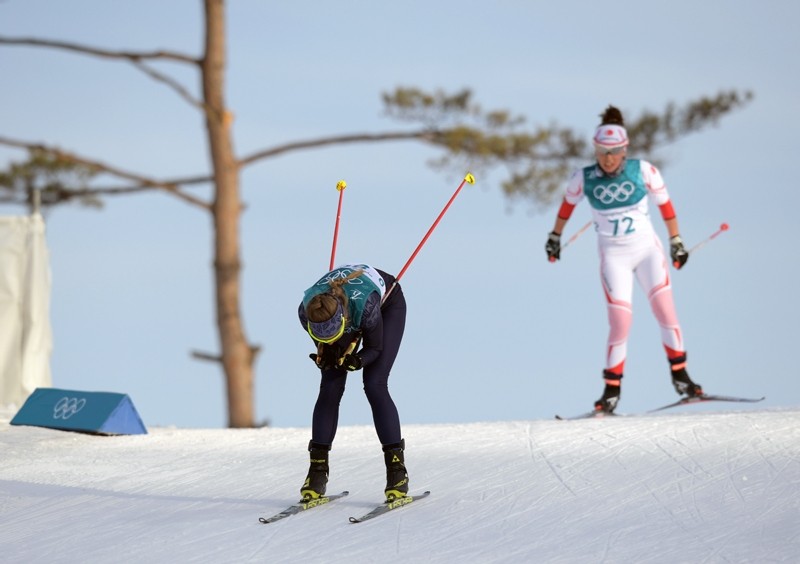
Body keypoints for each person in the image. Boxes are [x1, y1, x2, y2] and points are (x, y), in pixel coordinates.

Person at [545, 105, 703, 414]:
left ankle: (681, 377)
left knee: (665, 311)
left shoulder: (643, 171)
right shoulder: (583, 178)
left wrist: (676, 242)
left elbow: (666, 207)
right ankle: (611, 391)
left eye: (614, 152)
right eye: (602, 152)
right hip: (614, 257)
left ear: (624, 150)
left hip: (647, 252)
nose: (608, 159)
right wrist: (554, 237)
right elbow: (566, 207)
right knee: (620, 323)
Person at [297, 263, 409, 501]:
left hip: (385, 304)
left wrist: (358, 360)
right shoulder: (305, 312)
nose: (329, 340)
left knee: (375, 383)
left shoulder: (365, 308)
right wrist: (325, 354)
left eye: (333, 334)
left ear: (342, 319)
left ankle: (397, 472)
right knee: (330, 385)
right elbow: (326, 342)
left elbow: (374, 348)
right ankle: (317, 472)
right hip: (340, 313)